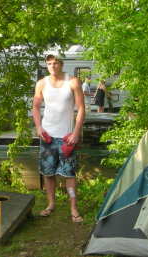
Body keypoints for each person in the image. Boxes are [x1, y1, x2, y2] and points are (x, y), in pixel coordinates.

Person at [32, 54, 85, 222]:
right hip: (47, 136)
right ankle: (51, 204)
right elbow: (35, 106)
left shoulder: (73, 82)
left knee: (69, 174)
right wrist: (39, 126)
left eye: (56, 63)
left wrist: (76, 132)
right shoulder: (42, 83)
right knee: (48, 173)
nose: (52, 66)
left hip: (67, 137)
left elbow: (81, 108)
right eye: (49, 63)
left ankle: (73, 208)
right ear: (46, 65)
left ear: (62, 64)